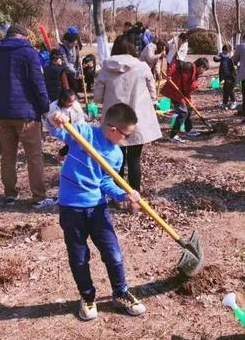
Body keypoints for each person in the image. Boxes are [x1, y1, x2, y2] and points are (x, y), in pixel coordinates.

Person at [46, 103, 147, 321]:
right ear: (113, 130)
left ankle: (120, 292)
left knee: (113, 253)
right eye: (126, 135)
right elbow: (56, 129)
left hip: (98, 208)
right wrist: (55, 119)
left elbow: (105, 182)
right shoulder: (82, 133)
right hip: (71, 207)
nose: (126, 139)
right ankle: (87, 296)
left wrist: (124, 195)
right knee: (79, 256)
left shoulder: (116, 154)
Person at [0, 23, 55, 207]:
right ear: (23, 36)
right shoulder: (29, 53)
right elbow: (38, 83)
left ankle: (10, 193)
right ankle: (38, 196)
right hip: (26, 113)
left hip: (2, 113)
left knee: (8, 156)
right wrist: (45, 106)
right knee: (34, 156)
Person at [94, 36, 162, 192]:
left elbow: (97, 96)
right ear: (132, 49)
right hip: (136, 120)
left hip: (114, 119)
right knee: (134, 159)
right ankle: (134, 197)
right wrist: (150, 100)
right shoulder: (142, 66)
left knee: (117, 157)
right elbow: (153, 92)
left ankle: (118, 194)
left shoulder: (106, 67)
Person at [161, 57, 209, 143]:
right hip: (174, 91)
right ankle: (173, 135)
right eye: (204, 69)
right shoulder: (188, 66)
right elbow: (174, 63)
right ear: (201, 66)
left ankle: (188, 130)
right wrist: (169, 74)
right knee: (183, 112)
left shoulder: (194, 73)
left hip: (182, 93)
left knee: (189, 108)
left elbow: (188, 86)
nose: (203, 72)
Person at [49, 89, 86, 162]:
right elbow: (52, 121)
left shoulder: (76, 105)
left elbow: (80, 118)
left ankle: (67, 154)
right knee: (72, 142)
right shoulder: (54, 107)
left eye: (73, 101)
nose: (72, 103)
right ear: (63, 100)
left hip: (74, 125)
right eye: (70, 102)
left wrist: (80, 129)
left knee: (79, 140)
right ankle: (62, 154)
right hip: (59, 128)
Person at [214, 44, 237, 109]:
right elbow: (215, 59)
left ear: (229, 51)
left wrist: (236, 65)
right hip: (224, 76)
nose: (225, 53)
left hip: (232, 76)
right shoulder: (222, 56)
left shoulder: (232, 57)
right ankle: (225, 102)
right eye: (224, 51)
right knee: (225, 90)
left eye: (226, 52)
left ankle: (233, 101)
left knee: (230, 90)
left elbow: (236, 63)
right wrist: (217, 57)